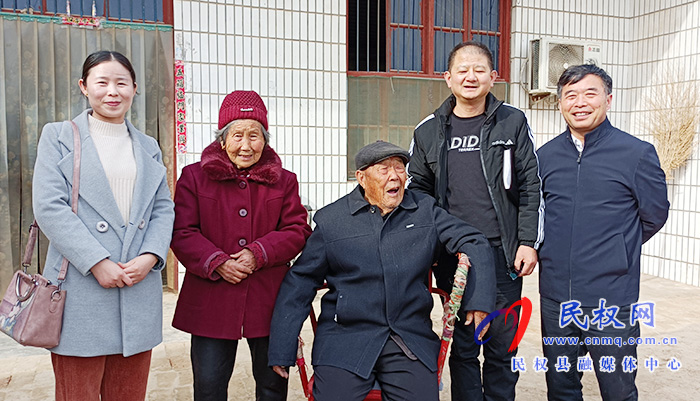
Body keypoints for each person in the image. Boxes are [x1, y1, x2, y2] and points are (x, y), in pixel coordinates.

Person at [268, 140, 497, 401]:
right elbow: (301, 280)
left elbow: (473, 240)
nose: (394, 176)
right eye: (384, 169)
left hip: (408, 338)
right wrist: (282, 347)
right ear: (362, 178)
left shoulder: (424, 211)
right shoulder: (333, 220)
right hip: (345, 338)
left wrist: (479, 301)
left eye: (399, 168)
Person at [32, 50, 175, 401]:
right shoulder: (59, 136)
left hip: (136, 284)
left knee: (129, 394)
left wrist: (151, 256)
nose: (112, 91)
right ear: (84, 87)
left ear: (134, 89)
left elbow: (162, 208)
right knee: (77, 393)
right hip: (81, 287)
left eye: (121, 82)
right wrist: (97, 261)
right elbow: (50, 207)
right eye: (102, 82)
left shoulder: (148, 146)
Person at [408, 41, 543, 400]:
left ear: (493, 77)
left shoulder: (511, 121)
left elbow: (531, 183)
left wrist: (528, 241)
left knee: (502, 343)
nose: (471, 77)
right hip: (454, 257)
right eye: (463, 70)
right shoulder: (428, 129)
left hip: (502, 253)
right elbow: (417, 187)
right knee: (464, 344)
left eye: (479, 69)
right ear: (447, 78)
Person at [537, 64, 669, 401]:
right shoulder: (545, 157)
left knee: (617, 389)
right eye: (570, 95)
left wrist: (615, 250)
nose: (580, 102)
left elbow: (654, 215)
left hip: (611, 297)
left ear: (608, 99)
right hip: (555, 297)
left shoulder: (636, 153)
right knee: (561, 386)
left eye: (589, 93)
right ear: (560, 103)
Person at [170, 90, 312, 401]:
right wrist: (217, 261)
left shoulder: (284, 180)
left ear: (265, 139)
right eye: (237, 135)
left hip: (269, 299)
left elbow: (297, 229)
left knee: (272, 386)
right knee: (208, 387)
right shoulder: (194, 177)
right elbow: (182, 230)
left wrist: (258, 253)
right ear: (222, 139)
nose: (245, 145)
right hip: (212, 299)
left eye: (254, 135)